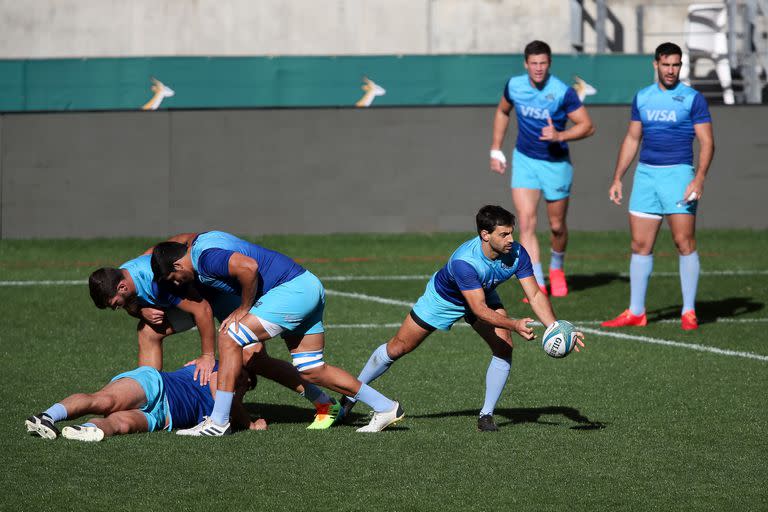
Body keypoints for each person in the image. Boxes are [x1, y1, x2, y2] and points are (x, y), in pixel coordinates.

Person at [340, 205, 585, 432]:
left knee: (504, 346)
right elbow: (478, 310)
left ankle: (486, 415)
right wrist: (513, 323)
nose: (511, 239)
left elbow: (533, 293)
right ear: (485, 235)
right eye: (504, 234)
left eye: (511, 233)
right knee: (398, 347)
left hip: (482, 292)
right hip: (443, 300)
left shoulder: (517, 253)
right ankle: (351, 394)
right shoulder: (464, 262)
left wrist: (556, 327)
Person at [151, 231, 403, 435]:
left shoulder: (204, 259)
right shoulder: (201, 241)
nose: (177, 282)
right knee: (311, 368)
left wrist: (244, 308)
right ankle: (385, 407)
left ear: (177, 263)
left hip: (291, 291)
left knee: (229, 337)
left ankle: (218, 421)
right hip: (307, 285)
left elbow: (248, 267)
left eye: (174, 277)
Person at [89, 243, 342, 429]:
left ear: (123, 286)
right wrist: (139, 309)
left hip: (220, 300)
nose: (116, 308)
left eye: (116, 303)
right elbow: (133, 303)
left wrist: (207, 356)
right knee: (148, 332)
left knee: (254, 358)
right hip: (194, 299)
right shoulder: (122, 277)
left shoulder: (157, 280)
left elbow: (203, 311)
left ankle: (323, 401)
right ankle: (150, 394)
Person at [602, 42, 714, 331]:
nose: (671, 70)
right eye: (666, 64)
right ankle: (636, 311)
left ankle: (689, 311)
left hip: (678, 175)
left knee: (683, 242)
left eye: (676, 65)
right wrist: (618, 177)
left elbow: (707, 142)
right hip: (646, 177)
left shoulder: (692, 98)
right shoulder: (642, 97)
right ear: (656, 64)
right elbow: (631, 139)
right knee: (639, 245)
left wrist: (698, 177)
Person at [490, 40, 595, 299]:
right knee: (525, 222)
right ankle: (535, 281)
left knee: (557, 225)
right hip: (525, 160)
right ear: (526, 64)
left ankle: (557, 268)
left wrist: (560, 135)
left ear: (549, 64)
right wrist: (496, 148)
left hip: (556, 164)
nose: (538, 68)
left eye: (543, 63)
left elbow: (587, 126)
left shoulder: (562, 92)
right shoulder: (514, 85)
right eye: (534, 63)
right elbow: (503, 111)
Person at [25, 361, 265, 442]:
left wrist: (240, 416)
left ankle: (85, 430)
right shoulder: (223, 372)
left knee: (121, 425)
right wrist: (250, 423)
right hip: (156, 385)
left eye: (248, 386)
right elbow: (215, 382)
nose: (244, 386)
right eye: (245, 380)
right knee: (105, 401)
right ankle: (46, 416)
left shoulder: (228, 408)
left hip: (165, 417)